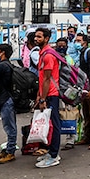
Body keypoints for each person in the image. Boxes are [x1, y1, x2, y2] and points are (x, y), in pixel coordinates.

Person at [34, 27, 62, 168]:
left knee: (54, 125)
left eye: (39, 37)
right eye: (36, 36)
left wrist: (43, 98)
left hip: (51, 95)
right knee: (50, 124)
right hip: (47, 94)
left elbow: (46, 79)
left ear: (46, 38)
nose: (36, 39)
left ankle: (54, 155)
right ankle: (51, 151)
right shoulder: (43, 53)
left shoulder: (48, 56)